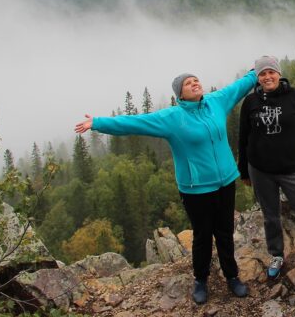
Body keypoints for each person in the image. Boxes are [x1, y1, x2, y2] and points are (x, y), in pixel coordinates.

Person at [74, 69, 257, 304]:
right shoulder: (172, 118)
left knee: (224, 232)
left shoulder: (216, 102)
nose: (194, 84)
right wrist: (97, 123)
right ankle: (201, 280)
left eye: (196, 80)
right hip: (197, 188)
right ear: (180, 94)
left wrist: (258, 71)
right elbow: (134, 123)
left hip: (225, 182)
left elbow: (239, 87)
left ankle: (232, 277)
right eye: (188, 83)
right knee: (202, 236)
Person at [238, 55, 295, 279]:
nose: (267, 76)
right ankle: (277, 255)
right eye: (262, 73)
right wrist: (243, 169)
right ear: (257, 78)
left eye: (271, 72)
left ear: (279, 74)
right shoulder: (250, 103)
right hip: (260, 170)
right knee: (270, 215)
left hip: (291, 169)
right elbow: (243, 138)